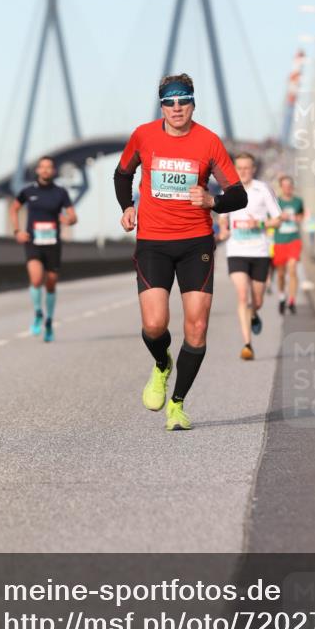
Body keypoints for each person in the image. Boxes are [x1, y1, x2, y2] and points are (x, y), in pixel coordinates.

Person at [114, 73, 246, 431]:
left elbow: (239, 194)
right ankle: (161, 365)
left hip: (195, 243)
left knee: (198, 327)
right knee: (155, 325)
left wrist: (213, 200)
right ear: (161, 106)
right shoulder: (143, 135)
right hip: (153, 242)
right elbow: (122, 173)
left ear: (193, 103)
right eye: (170, 102)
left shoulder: (208, 142)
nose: (177, 108)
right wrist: (127, 207)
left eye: (183, 100)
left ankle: (177, 404)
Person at [218, 153, 281, 360]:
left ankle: (254, 313)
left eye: (247, 168)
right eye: (240, 168)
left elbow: (278, 219)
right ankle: (247, 344)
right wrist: (224, 229)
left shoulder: (262, 189)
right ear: (234, 169)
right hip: (237, 251)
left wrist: (260, 224)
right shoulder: (227, 188)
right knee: (242, 295)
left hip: (260, 252)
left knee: (258, 300)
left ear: (253, 169)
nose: (243, 171)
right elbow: (222, 217)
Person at [9, 156, 77, 341]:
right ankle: (38, 313)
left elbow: (73, 216)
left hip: (53, 243)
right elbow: (14, 208)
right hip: (33, 241)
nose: (45, 170)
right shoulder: (28, 191)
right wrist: (17, 230)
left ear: (53, 171)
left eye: (49, 167)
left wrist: (68, 219)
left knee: (51, 283)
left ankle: (49, 321)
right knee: (36, 278)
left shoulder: (60, 192)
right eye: (42, 167)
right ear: (38, 170)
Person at [273, 175, 304, 315]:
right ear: (281, 187)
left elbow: (302, 216)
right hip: (280, 241)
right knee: (280, 274)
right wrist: (280, 218)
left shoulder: (298, 201)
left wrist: (297, 218)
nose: (287, 188)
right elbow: (270, 221)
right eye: (284, 186)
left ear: (293, 187)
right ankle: (281, 297)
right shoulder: (276, 202)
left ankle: (291, 300)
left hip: (294, 239)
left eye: (289, 186)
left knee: (292, 269)